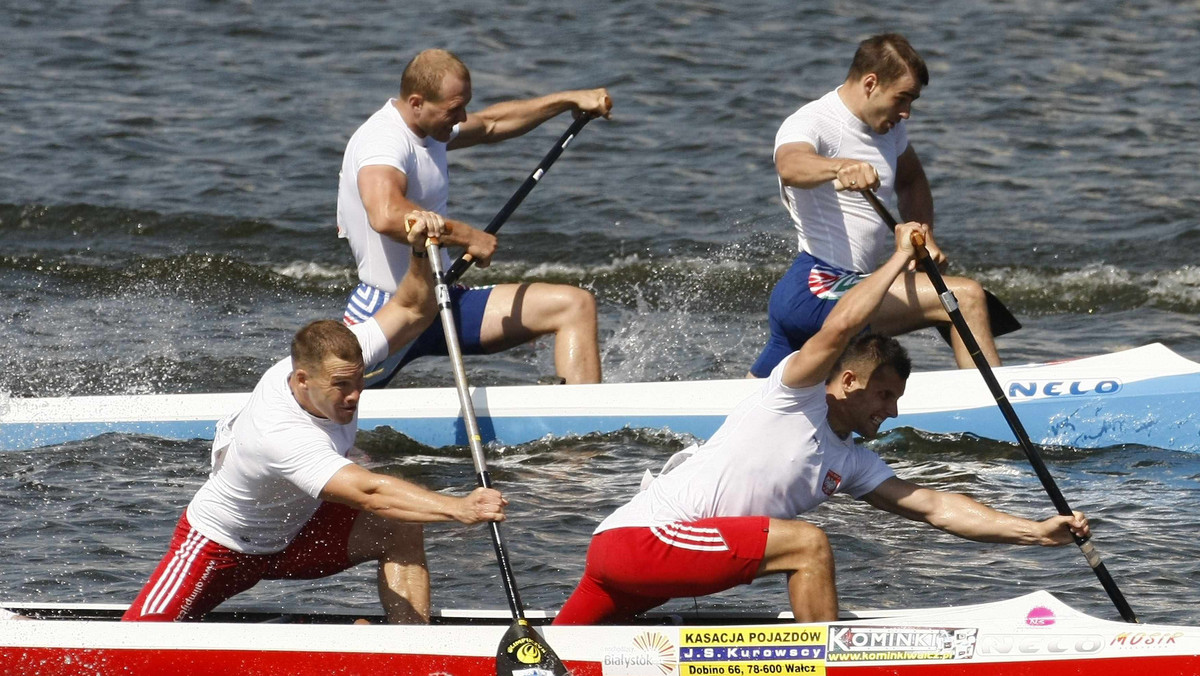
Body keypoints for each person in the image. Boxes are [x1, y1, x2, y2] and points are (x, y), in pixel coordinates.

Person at [554, 222, 1087, 625]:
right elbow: (841, 327)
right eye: (885, 394)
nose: (893, 410)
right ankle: (828, 664)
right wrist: (900, 256)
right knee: (808, 544)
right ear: (850, 382)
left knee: (556, 654)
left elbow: (935, 506)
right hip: (641, 541)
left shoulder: (850, 461)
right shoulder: (794, 394)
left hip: (639, 565)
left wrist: (1034, 532)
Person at [123, 212, 507, 624]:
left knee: (399, 528)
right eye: (341, 386)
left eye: (360, 381)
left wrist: (418, 251)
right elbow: (369, 491)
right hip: (220, 547)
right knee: (133, 645)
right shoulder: (280, 431)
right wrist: (458, 508)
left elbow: (412, 307)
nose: (355, 395)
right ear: (301, 379)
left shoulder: (340, 354)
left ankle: (409, 649)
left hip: (295, 536)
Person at [338, 48, 612, 388]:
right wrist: (467, 236)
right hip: (389, 309)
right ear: (416, 102)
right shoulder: (383, 141)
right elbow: (386, 215)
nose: (463, 117)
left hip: (442, 300)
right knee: (335, 402)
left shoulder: (428, 129)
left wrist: (570, 100)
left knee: (575, 306)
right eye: (455, 109)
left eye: (465, 105)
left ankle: (582, 431)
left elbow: (493, 123)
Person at [750, 33, 1001, 378]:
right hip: (818, 288)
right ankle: (996, 399)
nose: (907, 113)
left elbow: (912, 181)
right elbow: (790, 165)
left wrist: (924, 234)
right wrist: (839, 166)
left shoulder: (889, 131)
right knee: (967, 297)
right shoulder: (812, 121)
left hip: (840, 287)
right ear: (871, 83)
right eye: (903, 98)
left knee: (751, 399)